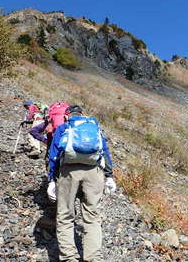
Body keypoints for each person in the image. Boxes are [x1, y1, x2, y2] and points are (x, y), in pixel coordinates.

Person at [47, 105, 116, 262]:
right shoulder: (94, 127)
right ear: (83, 115)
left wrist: (52, 179)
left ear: (66, 116)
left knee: (65, 215)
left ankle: (69, 258)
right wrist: (109, 176)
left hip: (69, 172)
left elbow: (54, 155)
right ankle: (93, 258)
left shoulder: (64, 127)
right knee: (92, 217)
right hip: (94, 172)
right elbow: (104, 151)